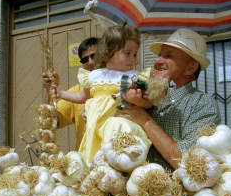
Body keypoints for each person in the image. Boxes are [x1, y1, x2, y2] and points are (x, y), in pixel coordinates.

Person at [116, 28, 221, 171]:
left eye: (168, 56)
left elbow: (190, 164)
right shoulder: (147, 97)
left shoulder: (202, 104)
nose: (158, 61)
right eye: (159, 55)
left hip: (176, 192)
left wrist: (146, 121)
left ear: (190, 67)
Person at [51, 23, 154, 163]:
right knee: (96, 158)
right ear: (108, 52)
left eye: (135, 54)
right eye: (128, 53)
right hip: (96, 128)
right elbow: (83, 96)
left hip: (120, 127)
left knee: (119, 153)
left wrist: (138, 101)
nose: (133, 58)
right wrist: (61, 93)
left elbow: (149, 103)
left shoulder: (134, 77)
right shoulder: (94, 76)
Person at [42, 37, 99, 151]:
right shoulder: (76, 93)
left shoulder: (120, 87)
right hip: (86, 164)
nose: (90, 62)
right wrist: (50, 92)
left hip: (116, 162)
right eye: (85, 59)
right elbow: (51, 122)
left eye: (94, 56)